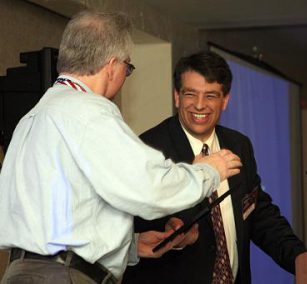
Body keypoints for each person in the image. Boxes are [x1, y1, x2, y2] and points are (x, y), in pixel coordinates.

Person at [0, 11, 242, 284]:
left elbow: (60, 213)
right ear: (112, 65)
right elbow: (149, 187)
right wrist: (208, 171)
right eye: (128, 68)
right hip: (64, 276)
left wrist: (129, 246)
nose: (124, 76)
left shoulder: (34, 116)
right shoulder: (89, 111)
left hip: (23, 272)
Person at [122, 51, 307, 284]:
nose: (200, 105)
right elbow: (144, 227)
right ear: (177, 97)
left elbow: (259, 215)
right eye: (191, 94)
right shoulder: (147, 149)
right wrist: (193, 177)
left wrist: (305, 261)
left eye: (210, 96)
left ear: (225, 100)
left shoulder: (238, 145)